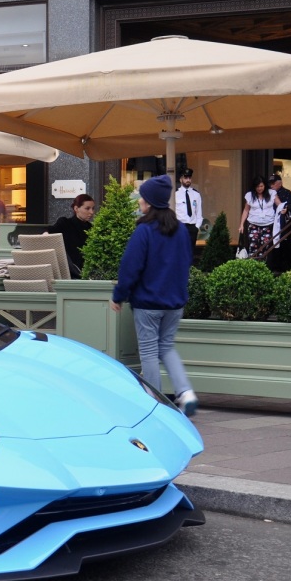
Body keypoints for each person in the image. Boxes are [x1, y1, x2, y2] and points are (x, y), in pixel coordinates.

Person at [110, 175, 199, 417]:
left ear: (148, 202)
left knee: (148, 351)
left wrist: (119, 295)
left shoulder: (144, 230)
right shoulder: (181, 230)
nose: (139, 200)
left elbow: (130, 266)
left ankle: (154, 404)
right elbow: (186, 263)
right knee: (167, 347)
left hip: (148, 302)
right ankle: (185, 392)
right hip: (175, 302)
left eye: (142, 197)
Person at [47, 194, 95, 278]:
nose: (91, 212)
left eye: (92, 208)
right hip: (68, 272)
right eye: (87, 208)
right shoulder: (65, 223)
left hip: (86, 272)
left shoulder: (91, 228)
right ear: (76, 208)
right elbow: (48, 232)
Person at [238, 175, 279, 257]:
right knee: (253, 244)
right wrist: (241, 224)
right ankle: (253, 264)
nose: (260, 188)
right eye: (257, 186)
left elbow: (279, 204)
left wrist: (284, 209)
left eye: (261, 186)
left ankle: (262, 265)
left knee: (265, 245)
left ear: (264, 185)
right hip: (253, 223)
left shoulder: (271, 193)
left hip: (268, 223)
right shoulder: (250, 195)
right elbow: (246, 210)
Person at [175, 168, 202, 254]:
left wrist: (196, 227)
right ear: (181, 179)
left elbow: (199, 213)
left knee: (190, 253)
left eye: (189, 178)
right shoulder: (175, 194)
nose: (188, 180)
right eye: (185, 178)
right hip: (180, 226)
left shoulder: (196, 194)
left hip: (192, 227)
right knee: (179, 252)